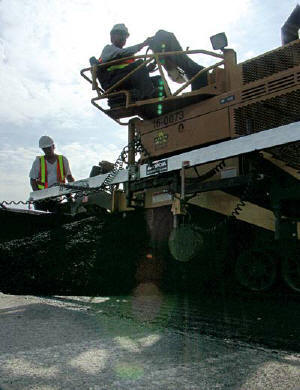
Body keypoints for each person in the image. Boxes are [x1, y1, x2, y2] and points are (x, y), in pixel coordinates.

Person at [95, 23, 157, 100]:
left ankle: (167, 101)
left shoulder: (126, 56)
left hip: (124, 80)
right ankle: (148, 97)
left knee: (158, 79)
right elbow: (124, 53)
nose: (123, 37)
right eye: (120, 34)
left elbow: (133, 73)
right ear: (112, 37)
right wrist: (143, 44)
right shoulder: (109, 49)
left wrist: (146, 69)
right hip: (112, 82)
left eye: (124, 36)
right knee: (139, 63)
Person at [29, 135, 75, 212]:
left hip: (56, 197)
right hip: (42, 198)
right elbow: (32, 180)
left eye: (48, 148)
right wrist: (38, 195)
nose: (47, 151)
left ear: (53, 146)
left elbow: (69, 177)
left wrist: (75, 190)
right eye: (44, 149)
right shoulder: (38, 162)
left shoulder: (62, 160)